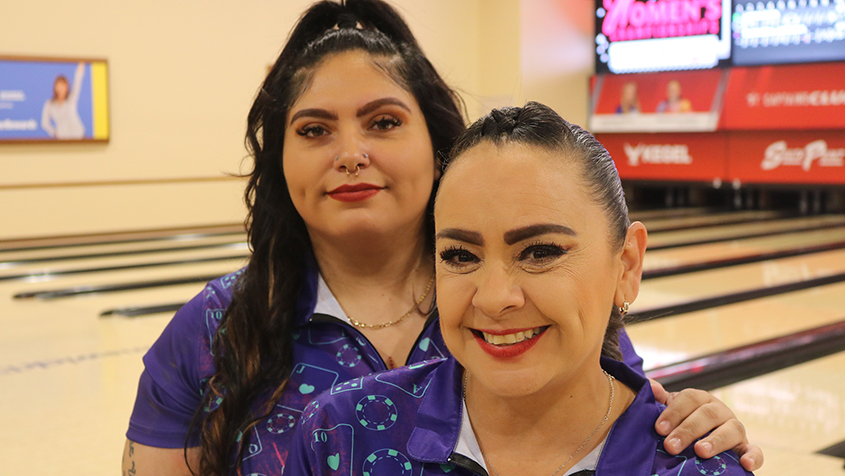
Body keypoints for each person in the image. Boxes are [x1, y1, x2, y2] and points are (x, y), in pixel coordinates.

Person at [122, 2, 762, 475]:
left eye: (383, 121)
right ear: (279, 158)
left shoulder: (532, 311)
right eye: (315, 129)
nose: (350, 153)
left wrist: (698, 426)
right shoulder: (213, 327)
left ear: (437, 143)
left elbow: (621, 419)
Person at [289, 102, 753, 476]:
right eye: (460, 255)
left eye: (540, 252)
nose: (494, 298)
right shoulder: (341, 433)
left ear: (626, 264)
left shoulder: (696, 466)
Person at [41, 62, 86, 139]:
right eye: (59, 85)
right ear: (55, 87)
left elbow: (77, 81)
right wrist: (55, 133)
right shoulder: (50, 104)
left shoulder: (71, 99)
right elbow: (44, 123)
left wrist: (81, 66)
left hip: (79, 136)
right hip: (63, 139)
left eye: (63, 85)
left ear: (67, 87)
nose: (61, 88)